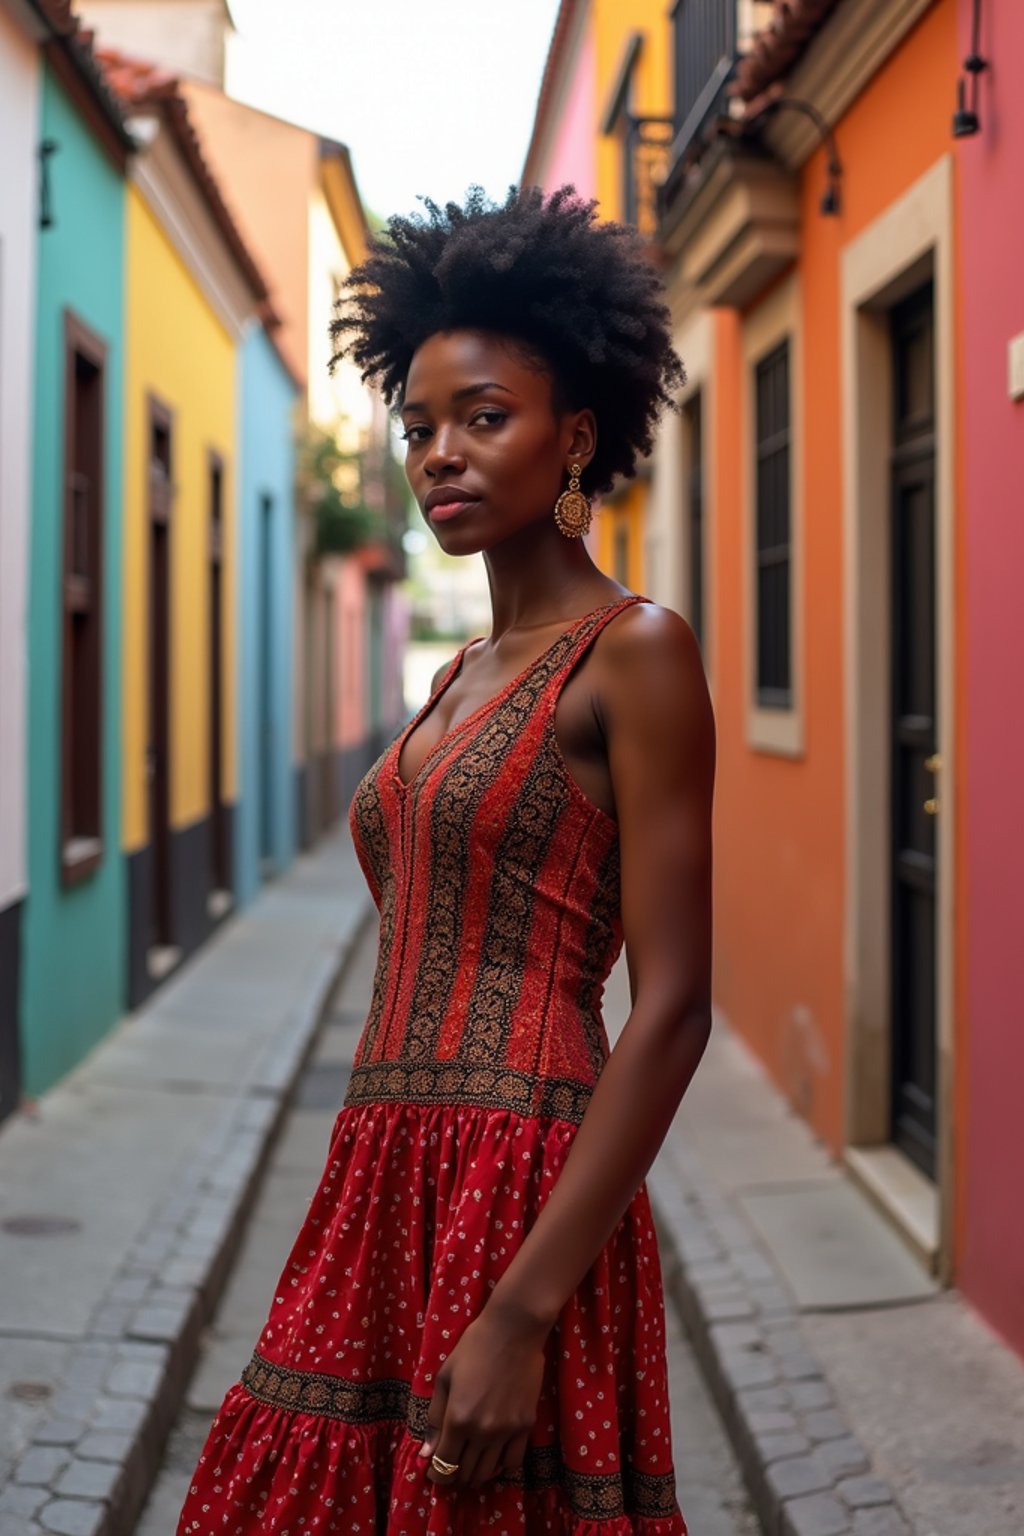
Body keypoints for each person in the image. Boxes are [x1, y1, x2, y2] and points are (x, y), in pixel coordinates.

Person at [178, 183, 715, 1536]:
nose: (441, 455)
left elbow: (674, 1007)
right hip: (380, 1165)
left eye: (487, 417)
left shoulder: (634, 651)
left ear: (574, 434)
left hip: (522, 1178)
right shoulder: (460, 672)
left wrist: (528, 1308)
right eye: (419, 426)